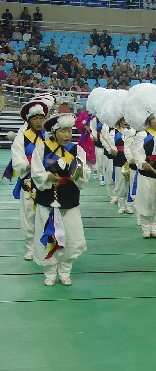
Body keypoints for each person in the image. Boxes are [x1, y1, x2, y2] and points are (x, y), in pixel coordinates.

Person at [31, 113, 90, 286]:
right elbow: (36, 172)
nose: (67, 135)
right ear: (54, 132)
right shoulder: (41, 148)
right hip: (48, 199)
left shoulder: (77, 150)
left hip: (69, 198)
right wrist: (47, 177)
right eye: (63, 131)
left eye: (69, 131)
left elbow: (84, 174)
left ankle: (65, 272)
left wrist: (77, 176)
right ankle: (49, 273)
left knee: (69, 236)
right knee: (49, 235)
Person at [127, 84, 156, 239]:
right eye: (153, 119)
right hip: (146, 172)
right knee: (146, 200)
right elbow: (137, 152)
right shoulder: (142, 135)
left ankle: (155, 227)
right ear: (149, 120)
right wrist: (141, 162)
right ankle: (145, 228)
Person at [11, 100, 49, 261]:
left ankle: (45, 244)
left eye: (41, 118)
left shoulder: (48, 137)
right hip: (28, 182)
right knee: (29, 214)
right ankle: (30, 246)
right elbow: (18, 162)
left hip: (46, 182)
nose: (39, 121)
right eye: (35, 118)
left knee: (46, 214)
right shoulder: (21, 139)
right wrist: (34, 167)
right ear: (29, 120)